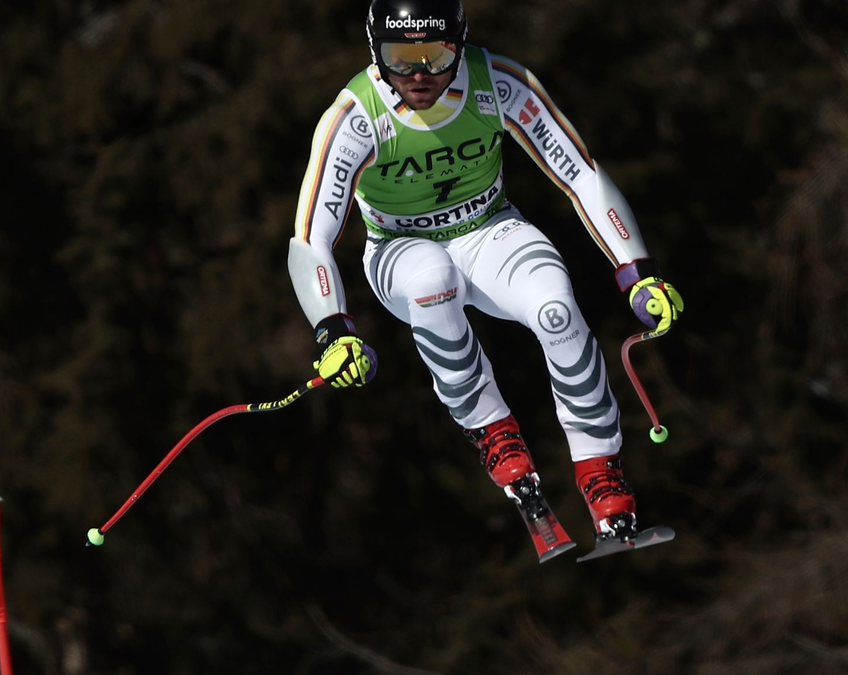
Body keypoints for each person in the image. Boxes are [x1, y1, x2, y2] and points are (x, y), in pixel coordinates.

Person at [288, 0, 684, 550]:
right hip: (400, 251)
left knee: (556, 308)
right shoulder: (356, 116)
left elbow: (582, 177)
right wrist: (332, 328)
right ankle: (496, 436)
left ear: (462, 42)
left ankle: (602, 475)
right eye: (402, 59)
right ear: (375, 51)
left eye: (437, 54)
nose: (420, 75)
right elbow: (312, 238)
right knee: (430, 278)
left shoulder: (497, 83)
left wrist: (638, 271)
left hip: (489, 231)